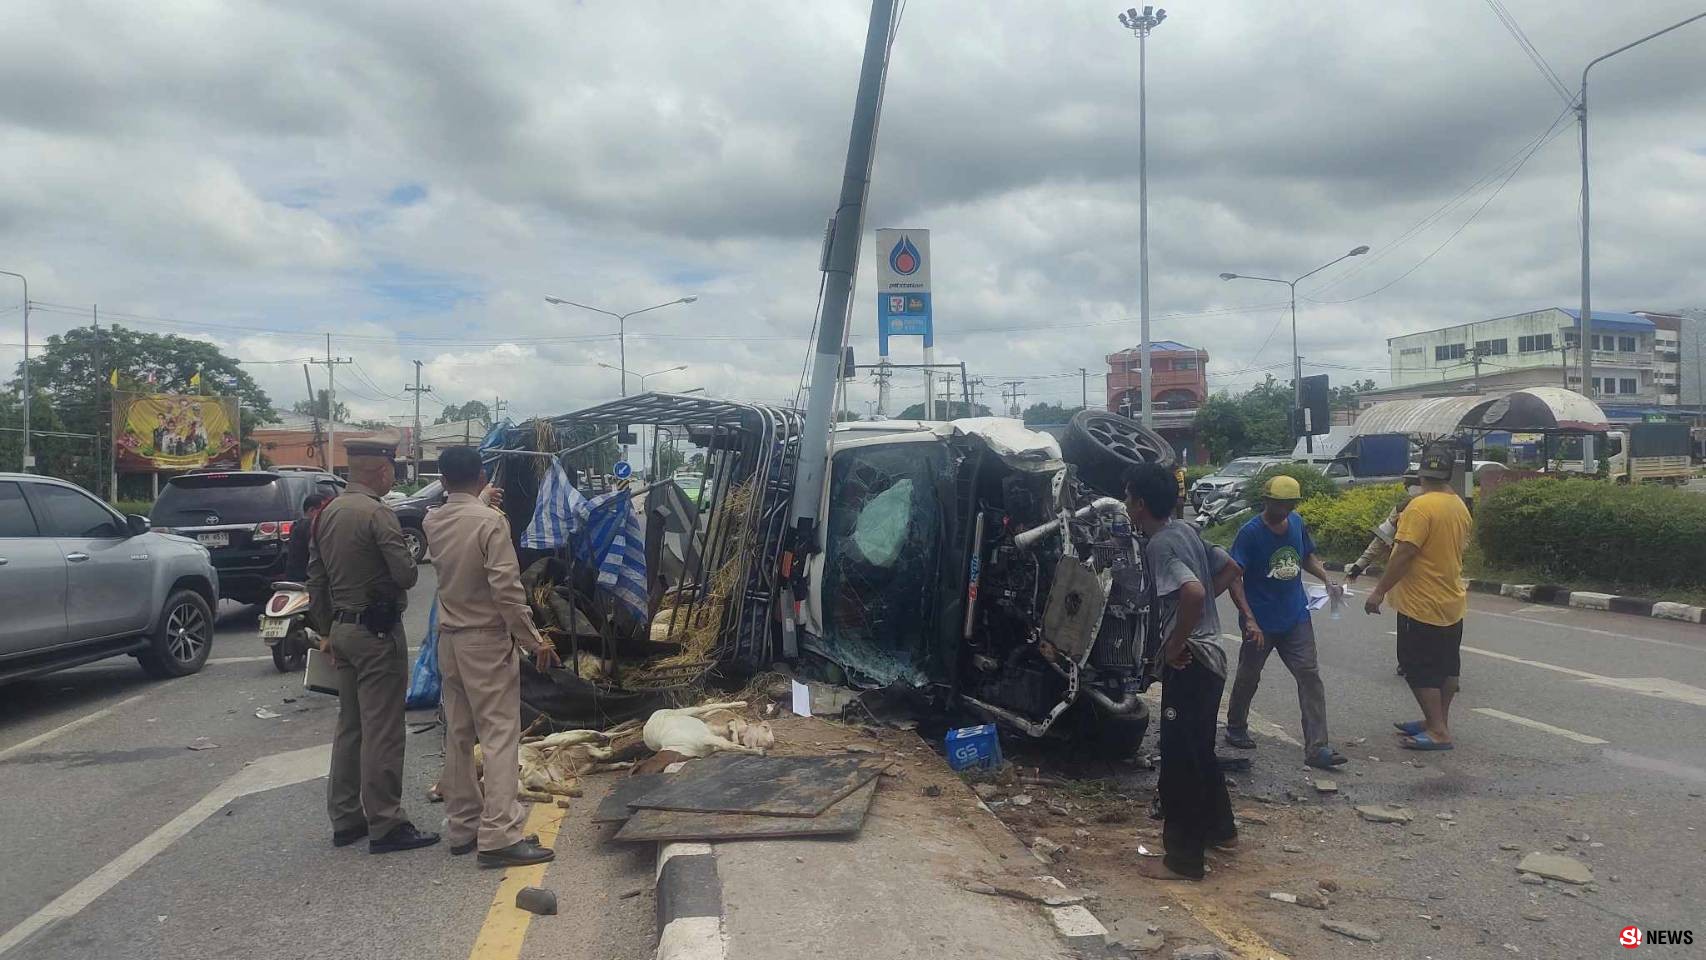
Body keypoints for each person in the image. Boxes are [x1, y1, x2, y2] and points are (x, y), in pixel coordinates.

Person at [424, 447, 562, 868]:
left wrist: (479, 500)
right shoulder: (491, 524)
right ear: (482, 476)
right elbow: (506, 591)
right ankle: (500, 835)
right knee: (500, 736)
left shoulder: (432, 520)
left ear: (443, 480)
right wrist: (534, 640)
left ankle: (463, 826)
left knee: (459, 734)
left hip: (449, 640)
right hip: (486, 641)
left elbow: (460, 516)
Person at [307, 439, 437, 853]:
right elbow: (405, 575)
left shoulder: (327, 513)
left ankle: (346, 818)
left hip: (341, 631)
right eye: (391, 470)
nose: (392, 476)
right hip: (376, 634)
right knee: (382, 729)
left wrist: (326, 630)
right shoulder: (377, 513)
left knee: (351, 727)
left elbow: (315, 578)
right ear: (379, 471)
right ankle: (386, 823)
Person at [1124, 463, 1237, 882]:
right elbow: (1228, 568)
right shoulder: (1186, 531)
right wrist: (1200, 618)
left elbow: (1192, 590)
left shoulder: (1159, 546)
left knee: (1180, 759)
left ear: (1139, 504)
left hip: (1190, 664)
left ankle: (1183, 860)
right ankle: (1221, 831)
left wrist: (1176, 641)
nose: (1126, 505)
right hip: (1213, 660)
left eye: (1128, 497)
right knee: (1199, 750)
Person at [1223, 475, 1348, 769]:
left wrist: (1326, 579)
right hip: (1261, 621)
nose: (1285, 510)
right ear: (1267, 502)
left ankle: (1318, 748)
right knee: (1249, 674)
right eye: (1280, 505)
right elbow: (1233, 577)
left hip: (1295, 616)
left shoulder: (1296, 523)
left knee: (1309, 676)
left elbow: (1307, 557)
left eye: (1290, 504)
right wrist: (1249, 618)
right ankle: (1236, 726)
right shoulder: (1250, 533)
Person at [1364, 444, 1472, 751]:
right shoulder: (1459, 505)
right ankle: (1437, 721)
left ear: (1421, 474)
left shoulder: (1419, 507)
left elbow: (1405, 553)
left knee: (1417, 667)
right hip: (1451, 599)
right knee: (1447, 668)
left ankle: (1438, 731)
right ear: (1449, 474)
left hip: (1421, 603)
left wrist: (1379, 590)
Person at [1345, 473, 1422, 676]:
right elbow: (1381, 538)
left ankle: (1433, 667)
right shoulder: (1401, 509)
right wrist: (1359, 566)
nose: (1406, 486)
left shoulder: (1430, 508)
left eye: (1410, 483)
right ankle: (1409, 663)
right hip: (1412, 576)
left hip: (1426, 575)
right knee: (1409, 620)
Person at [284, 492, 331, 583]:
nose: (326, 514)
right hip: (306, 580)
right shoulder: (308, 526)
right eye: (323, 510)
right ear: (312, 510)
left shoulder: (298, 525)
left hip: (295, 577)